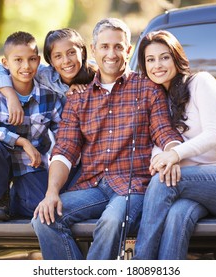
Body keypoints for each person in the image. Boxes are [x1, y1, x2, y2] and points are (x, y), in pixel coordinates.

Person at [31, 18, 183, 260]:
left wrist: (174, 154)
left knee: (111, 221)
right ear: (93, 50)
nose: (111, 54)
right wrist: (52, 193)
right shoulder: (78, 98)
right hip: (93, 187)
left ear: (129, 50)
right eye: (104, 46)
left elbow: (164, 131)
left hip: (132, 188)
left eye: (118, 47)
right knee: (44, 218)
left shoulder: (147, 89)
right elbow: (65, 150)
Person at [132, 30, 216, 260]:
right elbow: (158, 142)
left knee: (161, 183)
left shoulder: (201, 82)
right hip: (190, 185)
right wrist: (166, 158)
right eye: (150, 59)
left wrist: (174, 155)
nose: (157, 64)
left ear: (176, 57)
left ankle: (141, 265)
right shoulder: (157, 100)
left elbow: (213, 135)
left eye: (164, 57)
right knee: (178, 214)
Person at [0, 31, 63, 221]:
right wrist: (22, 141)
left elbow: (63, 133)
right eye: (18, 60)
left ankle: (16, 199)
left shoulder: (49, 95)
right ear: (5, 63)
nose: (26, 66)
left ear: (38, 61)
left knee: (42, 210)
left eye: (31, 59)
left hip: (31, 165)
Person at [0, 28, 96, 125]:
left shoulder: (97, 75)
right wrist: (11, 96)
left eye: (71, 53)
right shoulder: (45, 75)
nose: (66, 61)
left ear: (82, 53)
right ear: (50, 61)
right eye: (58, 56)